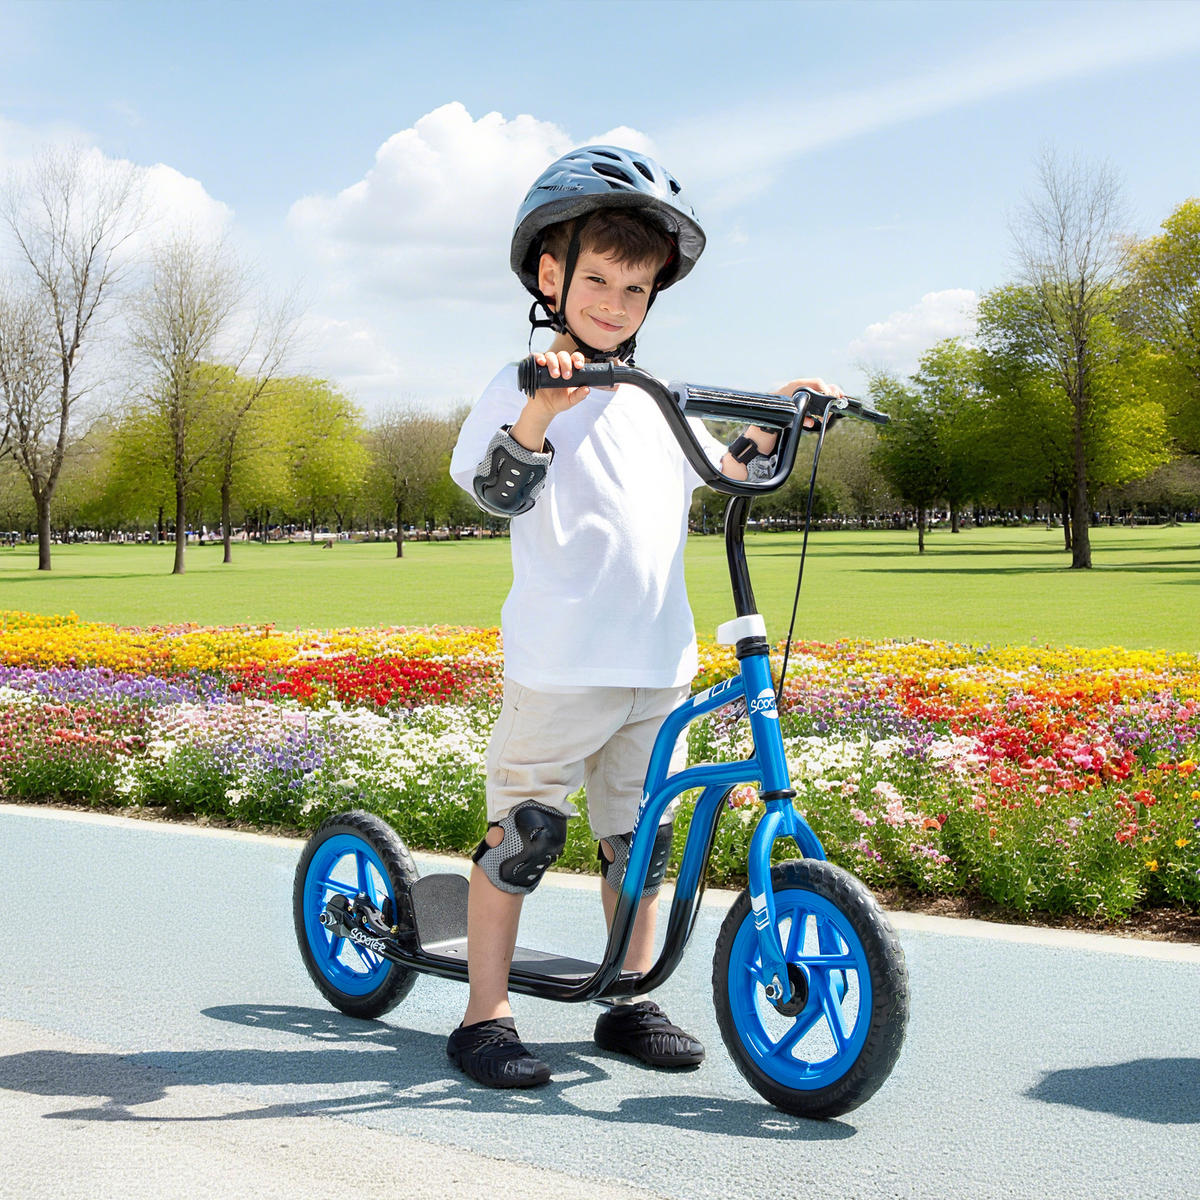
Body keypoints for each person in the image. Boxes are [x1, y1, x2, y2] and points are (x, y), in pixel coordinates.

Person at [447, 145, 841, 1089]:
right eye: (596, 280)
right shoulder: (520, 383)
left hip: (656, 662)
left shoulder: (654, 396)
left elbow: (727, 472)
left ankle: (629, 997)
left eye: (635, 287)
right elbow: (497, 490)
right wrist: (544, 405)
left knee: (640, 841)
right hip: (561, 663)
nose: (614, 303)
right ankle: (485, 1014)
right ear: (551, 275)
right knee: (526, 836)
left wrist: (786, 417)